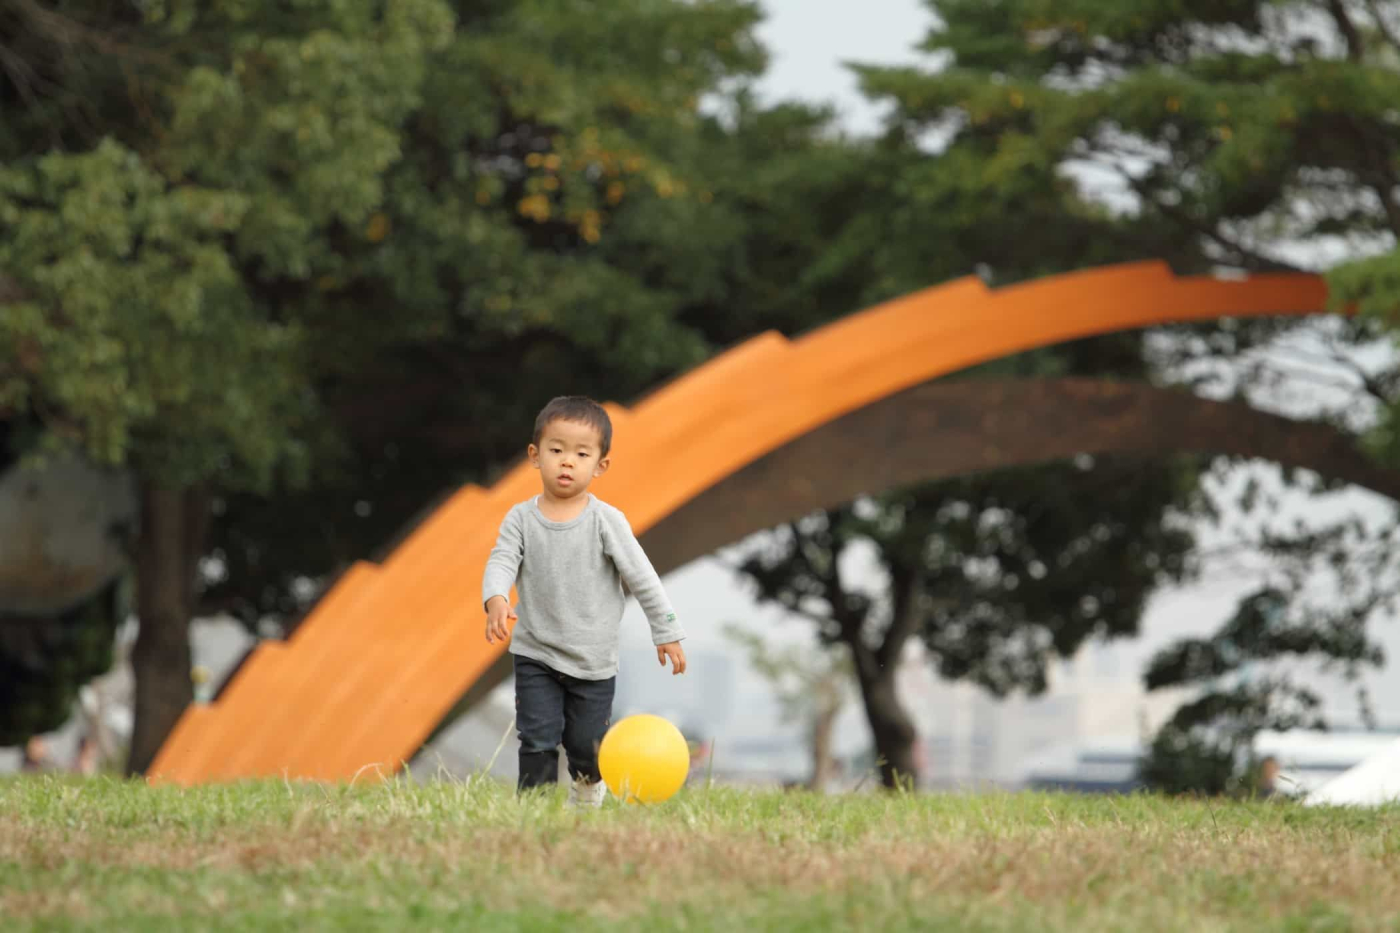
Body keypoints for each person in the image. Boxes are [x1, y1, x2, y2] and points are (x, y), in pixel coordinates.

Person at [482, 396, 687, 807]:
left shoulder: (606, 521)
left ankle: (588, 791)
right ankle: (534, 809)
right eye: (556, 450)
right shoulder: (520, 519)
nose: (567, 462)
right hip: (536, 652)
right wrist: (496, 599)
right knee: (537, 737)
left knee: (585, 746)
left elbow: (642, 578)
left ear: (600, 466)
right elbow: (501, 560)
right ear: (535, 456)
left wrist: (666, 631)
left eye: (581, 453)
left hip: (593, 661)